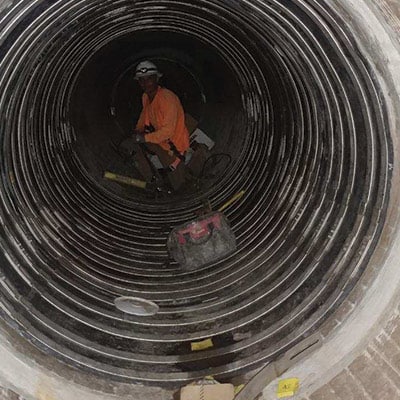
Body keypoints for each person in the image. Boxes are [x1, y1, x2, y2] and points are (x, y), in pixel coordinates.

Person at [121, 60, 190, 191]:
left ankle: (173, 182)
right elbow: (144, 116)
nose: (145, 83)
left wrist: (143, 138)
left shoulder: (167, 98)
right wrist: (137, 131)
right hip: (159, 142)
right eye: (142, 80)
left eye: (149, 79)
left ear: (157, 78)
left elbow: (168, 132)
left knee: (180, 187)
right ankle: (154, 181)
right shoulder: (146, 97)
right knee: (129, 145)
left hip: (174, 148)